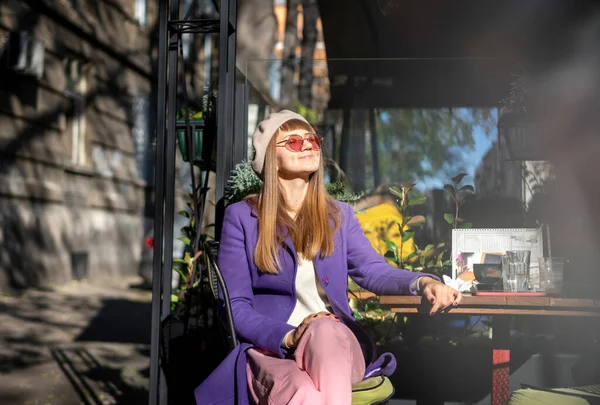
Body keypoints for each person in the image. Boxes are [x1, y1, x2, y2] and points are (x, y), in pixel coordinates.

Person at [194, 110, 463, 405]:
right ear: (271, 157)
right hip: (273, 349)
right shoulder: (243, 217)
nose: (309, 145)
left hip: (336, 345)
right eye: (294, 142)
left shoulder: (339, 215)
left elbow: (373, 270)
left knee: (323, 328)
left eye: (313, 139)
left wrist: (423, 282)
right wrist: (288, 337)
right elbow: (235, 307)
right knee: (304, 394)